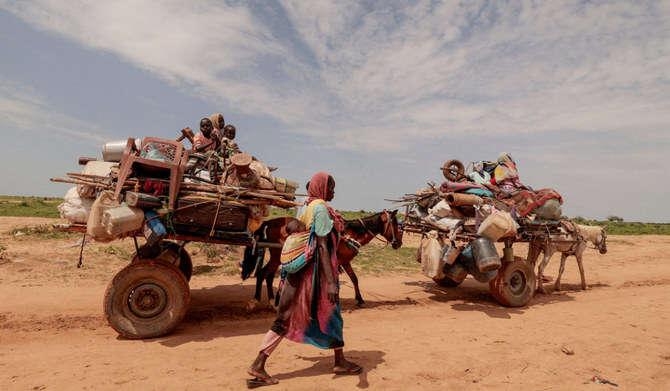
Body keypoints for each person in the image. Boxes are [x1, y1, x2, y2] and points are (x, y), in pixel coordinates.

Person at [247, 172, 362, 388]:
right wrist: (330, 281)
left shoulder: (307, 206)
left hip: (305, 273)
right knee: (289, 318)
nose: (333, 191)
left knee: (330, 316)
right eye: (331, 187)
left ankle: (339, 360)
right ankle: (258, 364)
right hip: (314, 276)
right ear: (321, 188)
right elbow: (321, 245)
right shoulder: (319, 209)